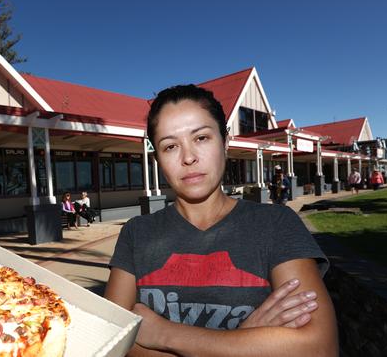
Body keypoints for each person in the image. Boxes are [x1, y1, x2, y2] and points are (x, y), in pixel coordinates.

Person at [105, 84, 337, 357]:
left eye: (201, 138)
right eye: (170, 146)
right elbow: (113, 341)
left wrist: (165, 334)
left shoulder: (276, 224)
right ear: (157, 159)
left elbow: (319, 348)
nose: (188, 157)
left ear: (225, 141)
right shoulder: (136, 233)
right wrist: (242, 341)